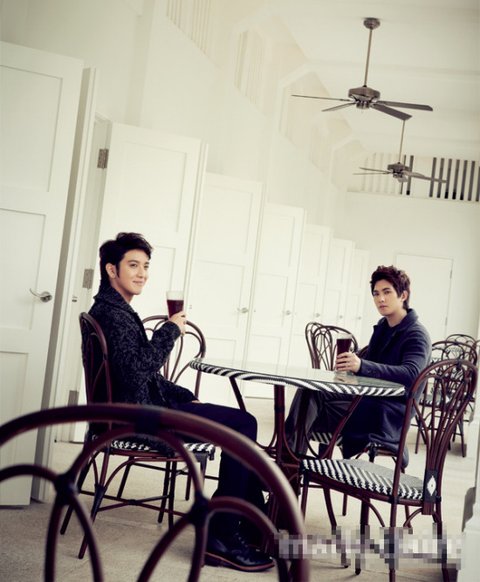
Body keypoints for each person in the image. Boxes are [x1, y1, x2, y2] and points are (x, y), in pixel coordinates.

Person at [89, 232, 273, 572]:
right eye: (134, 265)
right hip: (137, 417)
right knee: (243, 424)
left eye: (146, 266)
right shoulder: (113, 315)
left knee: (239, 425)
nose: (142, 274)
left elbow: (140, 375)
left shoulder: (114, 310)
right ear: (111, 269)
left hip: (140, 408)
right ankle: (224, 534)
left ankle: (252, 521)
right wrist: (170, 331)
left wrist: (185, 396)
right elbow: (137, 371)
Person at [285, 264, 432, 464]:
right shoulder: (383, 327)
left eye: (387, 292)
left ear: (403, 296)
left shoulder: (416, 334)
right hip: (366, 402)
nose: (380, 299)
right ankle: (294, 464)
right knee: (310, 391)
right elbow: (370, 366)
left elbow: (411, 374)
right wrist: (353, 365)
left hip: (386, 416)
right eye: (376, 294)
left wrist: (362, 365)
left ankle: (289, 466)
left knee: (306, 413)